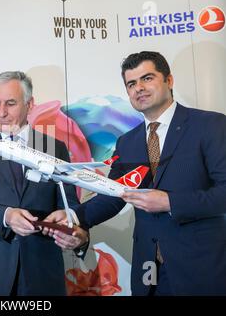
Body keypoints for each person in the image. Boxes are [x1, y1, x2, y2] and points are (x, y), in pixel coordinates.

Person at [46, 51, 226, 295]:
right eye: (131, 83)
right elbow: (113, 195)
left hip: (201, 268)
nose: (139, 88)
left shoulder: (210, 125)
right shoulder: (127, 142)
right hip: (148, 269)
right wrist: (73, 216)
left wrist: (170, 202)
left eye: (147, 78)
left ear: (169, 81)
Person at [0, 71, 86, 296]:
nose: (1, 113)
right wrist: (6, 216)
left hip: (42, 272)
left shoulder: (55, 148)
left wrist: (67, 217)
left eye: (10, 104)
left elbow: (69, 204)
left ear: (29, 104)